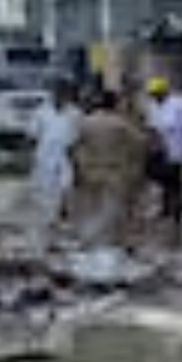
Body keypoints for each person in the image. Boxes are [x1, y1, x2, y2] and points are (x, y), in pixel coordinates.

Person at [70, 88, 151, 245]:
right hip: (115, 174)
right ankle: (108, 244)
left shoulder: (85, 123)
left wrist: (77, 170)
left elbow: (72, 148)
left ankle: (89, 241)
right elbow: (142, 144)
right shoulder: (122, 124)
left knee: (92, 210)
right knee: (112, 212)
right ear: (115, 104)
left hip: (89, 173)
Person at [27, 80, 80, 236]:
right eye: (58, 93)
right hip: (45, 154)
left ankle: (62, 215)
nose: (60, 96)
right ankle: (49, 221)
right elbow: (32, 135)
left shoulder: (75, 113)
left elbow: (78, 137)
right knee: (46, 188)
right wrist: (32, 155)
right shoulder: (41, 112)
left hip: (66, 154)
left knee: (66, 186)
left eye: (64, 93)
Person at [144, 76, 182, 222]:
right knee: (159, 177)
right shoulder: (153, 105)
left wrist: (160, 131)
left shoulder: (179, 103)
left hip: (175, 147)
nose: (155, 97)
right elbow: (152, 125)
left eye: (157, 94)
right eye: (153, 95)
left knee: (174, 180)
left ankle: (176, 211)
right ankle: (166, 207)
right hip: (159, 148)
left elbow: (174, 124)